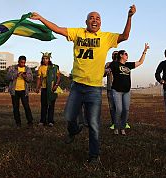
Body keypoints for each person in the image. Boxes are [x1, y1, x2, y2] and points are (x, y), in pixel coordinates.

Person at [30, 5, 136, 163]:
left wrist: (129, 17)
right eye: (92, 17)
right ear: (86, 21)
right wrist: (41, 18)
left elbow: (125, 36)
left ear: (101, 23)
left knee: (93, 124)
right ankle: (74, 130)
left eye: (98, 18)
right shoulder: (78, 32)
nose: (95, 20)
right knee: (69, 117)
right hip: (77, 86)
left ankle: (94, 155)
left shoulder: (106, 37)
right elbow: (58, 29)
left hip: (94, 88)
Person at [110, 43, 149, 135]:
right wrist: (107, 70)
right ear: (121, 55)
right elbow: (107, 70)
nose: (127, 56)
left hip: (126, 91)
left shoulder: (128, 65)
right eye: (125, 54)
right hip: (117, 90)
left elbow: (140, 62)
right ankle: (116, 127)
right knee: (119, 109)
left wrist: (145, 51)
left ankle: (122, 127)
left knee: (126, 110)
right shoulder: (115, 64)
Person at [7, 55, 34, 128]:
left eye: (24, 62)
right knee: (16, 107)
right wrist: (16, 74)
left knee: (26, 106)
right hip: (14, 91)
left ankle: (30, 122)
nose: (23, 64)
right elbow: (8, 77)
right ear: (18, 61)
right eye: (21, 62)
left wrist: (25, 77)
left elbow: (31, 79)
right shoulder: (12, 68)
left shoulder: (27, 69)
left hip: (24, 91)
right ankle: (18, 123)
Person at [35, 52, 61, 127]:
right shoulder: (41, 67)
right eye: (43, 58)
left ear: (49, 59)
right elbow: (39, 79)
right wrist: (37, 87)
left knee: (51, 105)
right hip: (44, 89)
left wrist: (56, 85)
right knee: (44, 105)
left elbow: (58, 77)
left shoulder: (53, 67)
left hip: (52, 88)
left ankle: (50, 121)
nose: (45, 60)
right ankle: (42, 121)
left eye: (46, 58)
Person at [104, 51, 118, 130]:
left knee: (120, 106)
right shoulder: (108, 64)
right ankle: (114, 123)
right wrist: (106, 70)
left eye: (116, 54)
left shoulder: (121, 64)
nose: (114, 56)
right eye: (113, 54)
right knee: (112, 107)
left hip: (119, 88)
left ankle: (121, 122)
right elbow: (103, 74)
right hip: (110, 88)